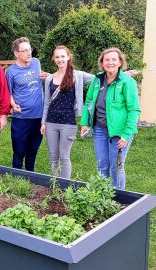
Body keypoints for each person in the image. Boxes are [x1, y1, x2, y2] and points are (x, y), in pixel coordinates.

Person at [80, 48, 140, 190]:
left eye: (114, 59)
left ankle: (118, 199)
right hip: (100, 129)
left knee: (116, 166)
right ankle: (103, 196)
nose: (110, 62)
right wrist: (84, 122)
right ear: (102, 62)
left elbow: (134, 110)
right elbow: (89, 101)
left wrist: (127, 134)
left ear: (120, 62)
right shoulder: (97, 79)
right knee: (102, 164)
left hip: (119, 133)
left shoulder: (127, 82)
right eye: (106, 60)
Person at [40, 45, 94, 178]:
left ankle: (65, 188)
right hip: (51, 122)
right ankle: (55, 187)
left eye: (63, 56)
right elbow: (47, 102)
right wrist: (43, 122)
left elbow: (98, 79)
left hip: (68, 123)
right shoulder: (49, 79)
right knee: (53, 157)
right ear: (54, 59)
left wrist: (120, 73)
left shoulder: (78, 75)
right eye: (57, 57)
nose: (60, 59)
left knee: (64, 157)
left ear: (68, 57)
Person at [6, 37, 47, 171]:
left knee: (32, 151)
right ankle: (17, 178)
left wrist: (47, 77)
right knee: (19, 151)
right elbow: (9, 93)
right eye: (24, 51)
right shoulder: (11, 71)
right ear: (16, 54)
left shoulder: (36, 62)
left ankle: (31, 177)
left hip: (38, 117)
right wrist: (13, 105)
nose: (29, 53)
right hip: (21, 117)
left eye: (29, 50)